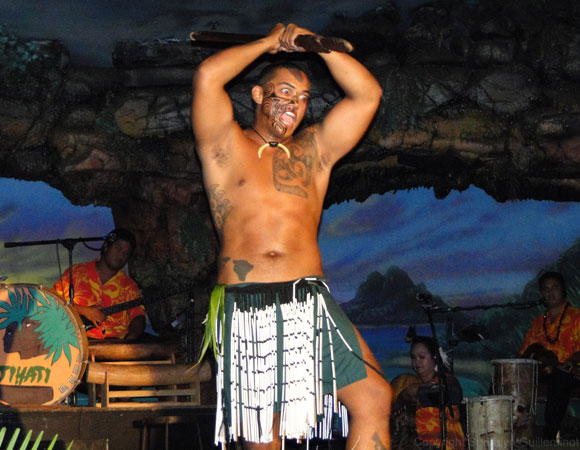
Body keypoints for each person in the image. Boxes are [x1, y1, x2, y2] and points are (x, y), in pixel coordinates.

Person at [191, 23, 390, 449]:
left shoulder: (314, 150)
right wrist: (268, 42)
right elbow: (209, 76)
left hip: (309, 302)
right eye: (283, 93)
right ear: (258, 96)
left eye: (302, 99)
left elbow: (367, 95)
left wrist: (315, 47)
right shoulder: (224, 146)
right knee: (265, 434)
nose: (294, 106)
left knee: (373, 396)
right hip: (248, 303)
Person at [52, 228, 146, 340]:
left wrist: (133, 335)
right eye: (118, 248)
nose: (121, 255)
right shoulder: (76, 273)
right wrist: (84, 310)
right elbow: (52, 303)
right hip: (78, 342)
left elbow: (138, 316)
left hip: (117, 346)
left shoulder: (129, 286)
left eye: (126, 253)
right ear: (106, 246)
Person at [520, 270, 580, 441]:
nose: (550, 292)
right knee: (509, 376)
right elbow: (526, 351)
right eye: (546, 289)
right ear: (541, 294)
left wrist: (570, 360)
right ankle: (512, 434)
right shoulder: (539, 321)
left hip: (572, 371)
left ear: (563, 290)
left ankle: (548, 438)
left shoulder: (577, 316)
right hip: (545, 371)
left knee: (558, 380)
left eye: (555, 287)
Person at [390, 336, 466, 450]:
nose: (417, 361)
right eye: (413, 357)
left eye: (422, 357)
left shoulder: (446, 380)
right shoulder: (407, 382)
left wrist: (413, 392)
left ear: (434, 357)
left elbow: (453, 393)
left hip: (443, 444)